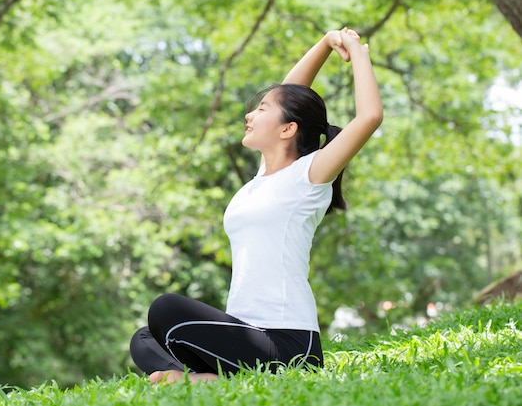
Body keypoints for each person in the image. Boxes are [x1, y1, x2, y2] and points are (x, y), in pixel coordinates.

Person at [129, 28, 383, 384]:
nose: (249, 115)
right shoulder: (265, 174)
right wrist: (325, 43)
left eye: (261, 109)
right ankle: (202, 379)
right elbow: (290, 92)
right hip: (245, 332)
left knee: (166, 308)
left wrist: (356, 50)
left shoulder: (308, 176)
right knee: (143, 336)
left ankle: (201, 380)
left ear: (287, 129)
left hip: (287, 341)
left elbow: (369, 117)